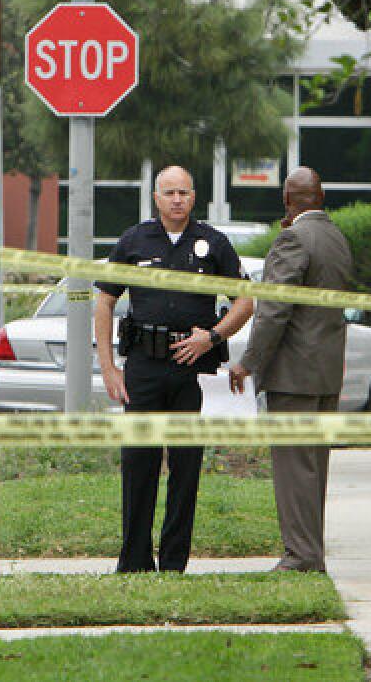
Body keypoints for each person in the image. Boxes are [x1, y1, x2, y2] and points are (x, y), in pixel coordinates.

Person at [94, 166, 254, 573]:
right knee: (139, 464)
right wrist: (109, 368)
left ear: (193, 197)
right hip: (143, 367)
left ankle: (175, 562)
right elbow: (105, 301)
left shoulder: (212, 243)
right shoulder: (133, 241)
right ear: (156, 197)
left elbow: (245, 301)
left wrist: (213, 337)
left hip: (189, 367)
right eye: (169, 192)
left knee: (185, 465)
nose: (177, 199)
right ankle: (133, 562)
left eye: (183, 192)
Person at [227, 167, 351, 573]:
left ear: (287, 200)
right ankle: (310, 551)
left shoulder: (292, 238)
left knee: (294, 468)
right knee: (315, 466)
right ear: (321, 196)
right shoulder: (336, 237)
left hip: (294, 373)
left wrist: (249, 362)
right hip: (327, 370)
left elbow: (274, 308)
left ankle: (301, 555)